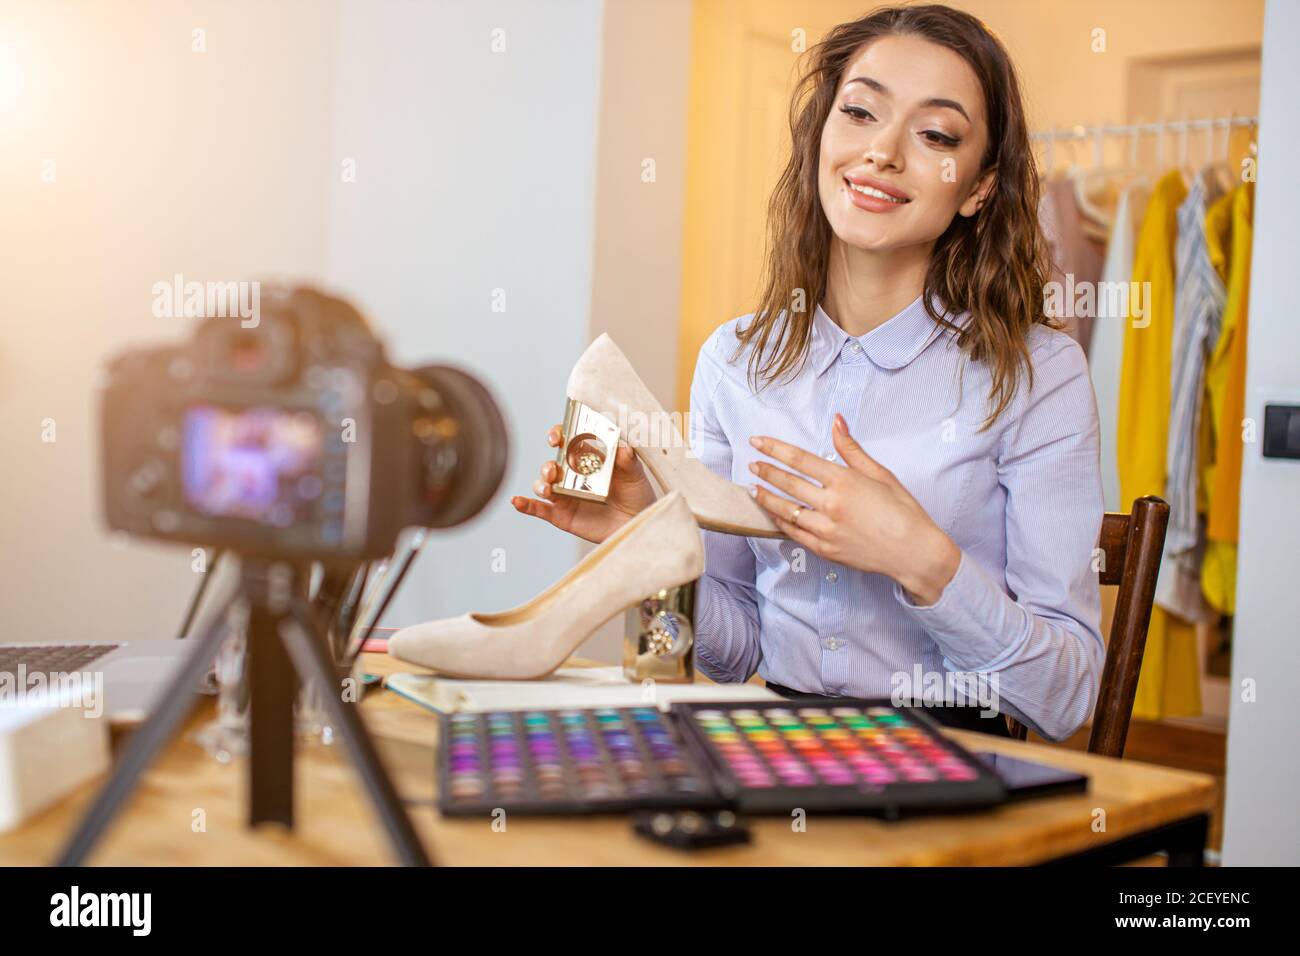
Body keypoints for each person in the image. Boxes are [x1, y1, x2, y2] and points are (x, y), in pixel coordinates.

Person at [512, 4, 1102, 742]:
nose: (882, 152)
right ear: (822, 133)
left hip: (956, 764)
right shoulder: (734, 360)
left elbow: (1068, 694)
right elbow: (725, 655)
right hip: (772, 746)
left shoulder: (1042, 374)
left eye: (935, 135)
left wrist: (920, 559)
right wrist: (641, 544)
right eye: (859, 112)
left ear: (979, 187)